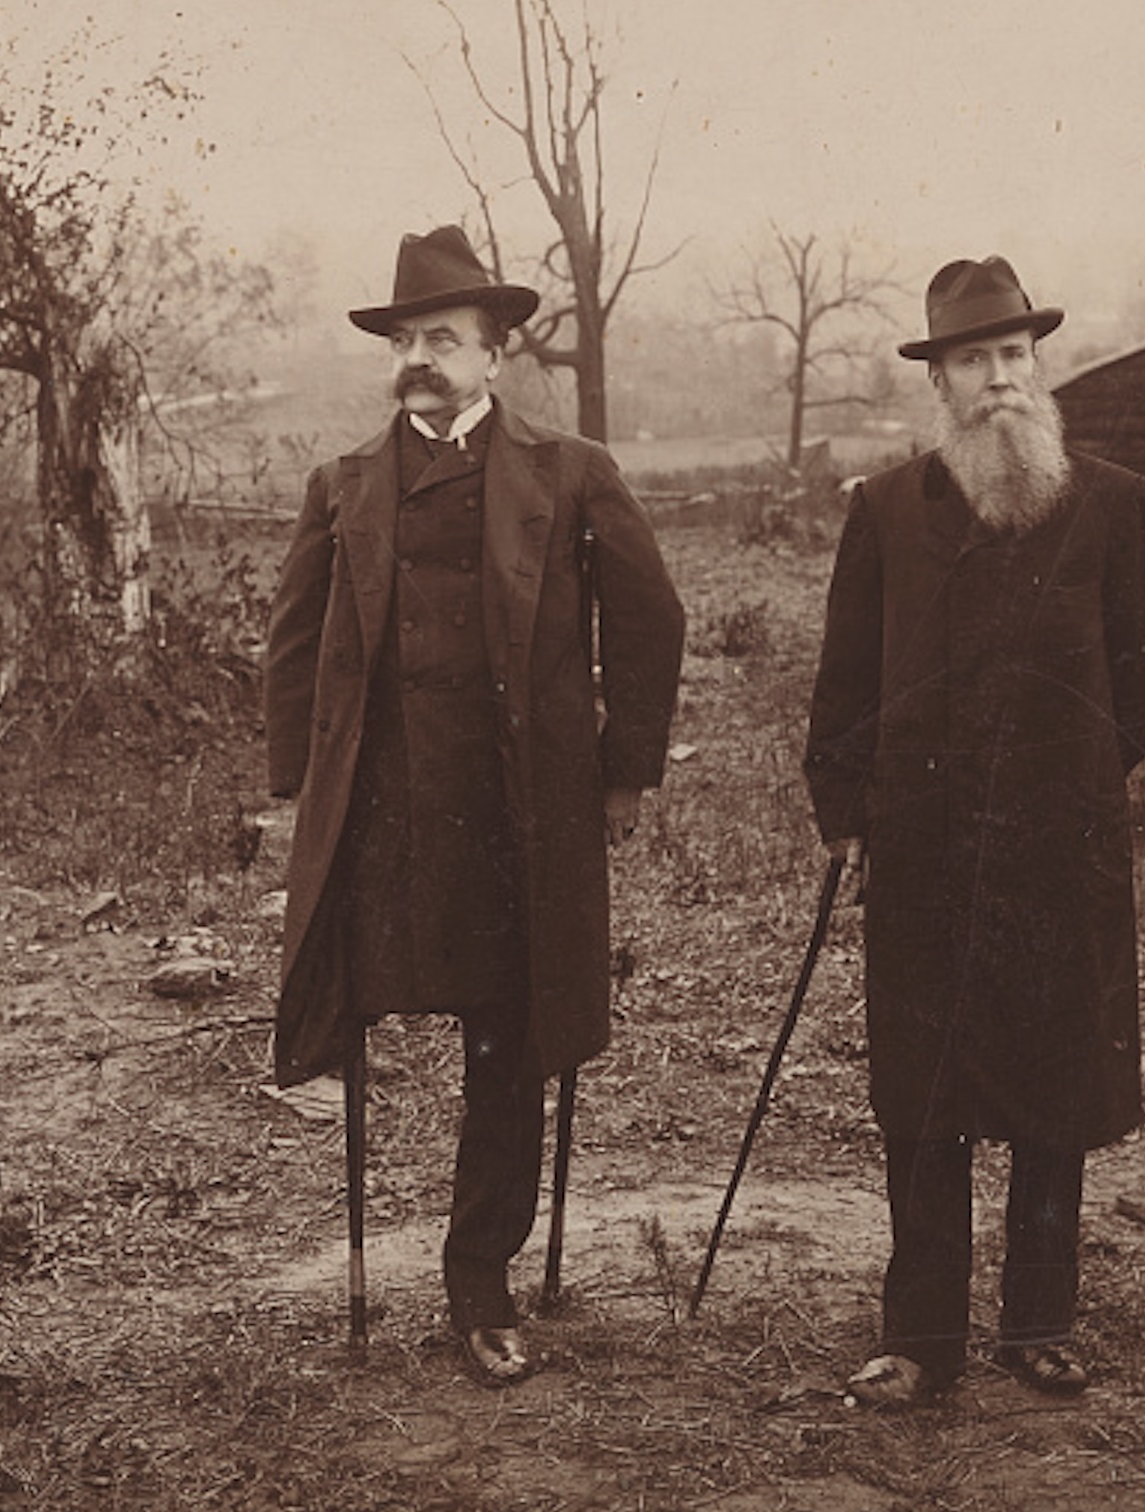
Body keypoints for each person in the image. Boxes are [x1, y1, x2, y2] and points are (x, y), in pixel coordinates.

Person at [265, 225, 686, 1384]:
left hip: (517, 819)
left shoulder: (568, 472)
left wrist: (621, 770)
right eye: (406, 339)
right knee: (361, 1018)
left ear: (496, 354)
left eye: (442, 339)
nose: (420, 358)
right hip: (385, 821)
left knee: (510, 1044)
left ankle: (478, 1279)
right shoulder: (342, 486)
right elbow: (293, 644)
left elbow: (650, 621)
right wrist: (296, 791)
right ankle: (387, 1263)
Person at [804, 257, 1145, 1405]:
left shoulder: (1111, 504)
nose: (1000, 380)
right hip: (921, 854)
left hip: (1056, 855)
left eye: (1015, 356)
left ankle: (1039, 1324)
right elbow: (843, 686)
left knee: (1052, 1090)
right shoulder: (884, 511)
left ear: (1039, 365)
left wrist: (1070, 779)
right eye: (974, 360)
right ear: (940, 382)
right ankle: (920, 1340)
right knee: (923, 1100)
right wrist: (846, 814)